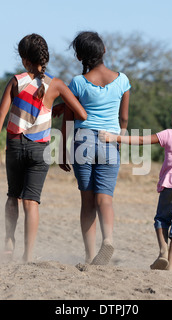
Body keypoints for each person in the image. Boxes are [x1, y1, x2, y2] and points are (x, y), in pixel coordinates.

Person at [0, 33, 87, 262]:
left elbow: (1, 114)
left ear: (24, 60)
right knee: (31, 202)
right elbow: (81, 113)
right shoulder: (57, 84)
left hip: (14, 145)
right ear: (45, 58)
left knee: (13, 196)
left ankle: (9, 242)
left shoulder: (16, 81)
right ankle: (28, 256)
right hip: (40, 149)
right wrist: (59, 108)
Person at [99, 95, 172, 271]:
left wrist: (114, 137)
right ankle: (170, 263)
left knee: (162, 219)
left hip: (170, 186)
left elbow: (140, 141)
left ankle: (163, 250)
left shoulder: (169, 134)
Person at [59, 31, 131, 265]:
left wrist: (62, 150)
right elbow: (124, 118)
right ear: (104, 51)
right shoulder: (122, 80)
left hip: (84, 143)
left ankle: (90, 256)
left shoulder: (78, 83)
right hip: (110, 141)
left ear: (80, 57)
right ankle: (108, 239)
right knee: (106, 199)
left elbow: (68, 120)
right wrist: (119, 139)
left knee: (87, 201)